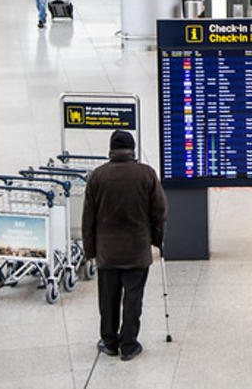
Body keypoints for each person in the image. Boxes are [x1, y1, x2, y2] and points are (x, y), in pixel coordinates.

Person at [83, 130, 166, 362]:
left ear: (111, 150)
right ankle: (129, 345)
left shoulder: (97, 177)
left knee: (108, 299)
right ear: (132, 150)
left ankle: (109, 342)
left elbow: (88, 217)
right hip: (137, 251)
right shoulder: (147, 175)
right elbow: (159, 212)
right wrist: (157, 240)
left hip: (107, 252)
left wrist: (90, 251)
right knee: (133, 298)